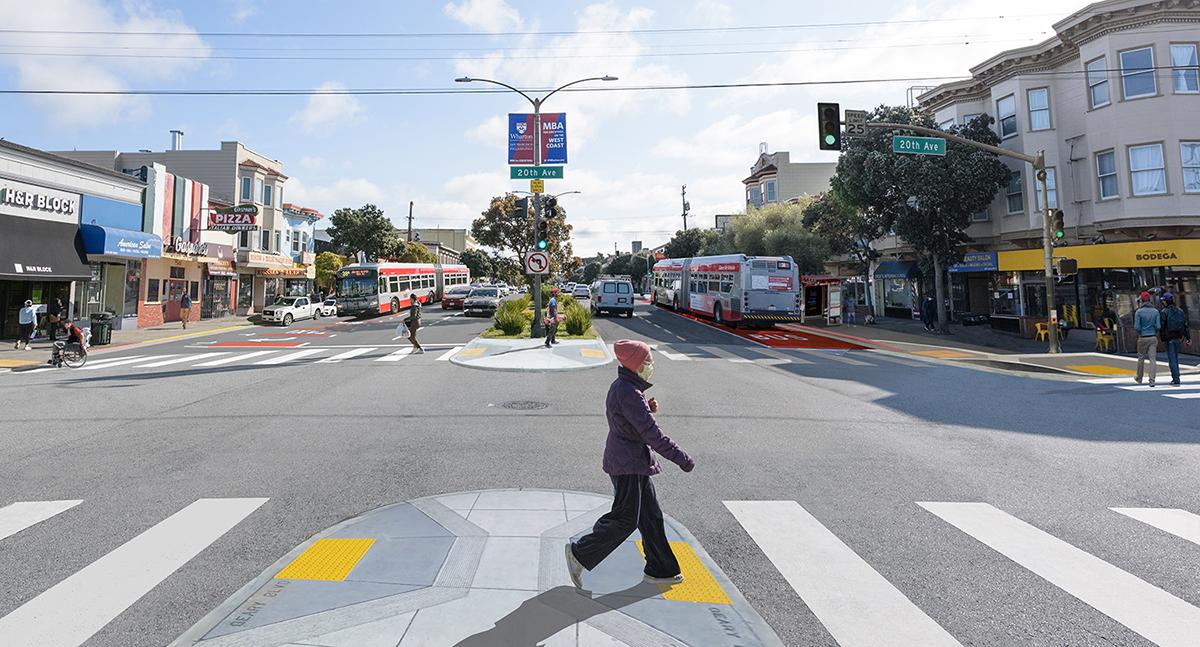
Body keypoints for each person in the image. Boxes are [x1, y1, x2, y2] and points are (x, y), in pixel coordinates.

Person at [565, 339, 695, 589]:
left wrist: (646, 407)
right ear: (635, 364)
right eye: (647, 362)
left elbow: (629, 418)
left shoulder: (627, 388)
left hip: (632, 461)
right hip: (627, 464)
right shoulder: (629, 392)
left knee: (651, 516)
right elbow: (651, 434)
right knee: (625, 519)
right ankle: (580, 553)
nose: (651, 366)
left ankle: (661, 568)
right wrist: (682, 459)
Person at [1158, 292, 1191, 386]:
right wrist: (1188, 337)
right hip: (1178, 338)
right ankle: (1176, 377)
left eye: (1163, 300)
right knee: (1175, 357)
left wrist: (1162, 338)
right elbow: (1185, 325)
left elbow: (1162, 326)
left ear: (1166, 301)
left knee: (1172, 359)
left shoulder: (1164, 312)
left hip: (1169, 339)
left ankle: (1176, 379)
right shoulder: (1180, 311)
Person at [1133, 291, 1160, 386]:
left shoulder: (1138, 312)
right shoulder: (1155, 311)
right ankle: (1152, 380)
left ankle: (1139, 378)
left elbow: (1136, 327)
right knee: (1152, 359)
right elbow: (1158, 326)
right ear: (1149, 300)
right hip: (1153, 337)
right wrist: (1153, 331)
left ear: (1141, 300)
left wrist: (1141, 332)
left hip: (1142, 337)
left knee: (1141, 357)